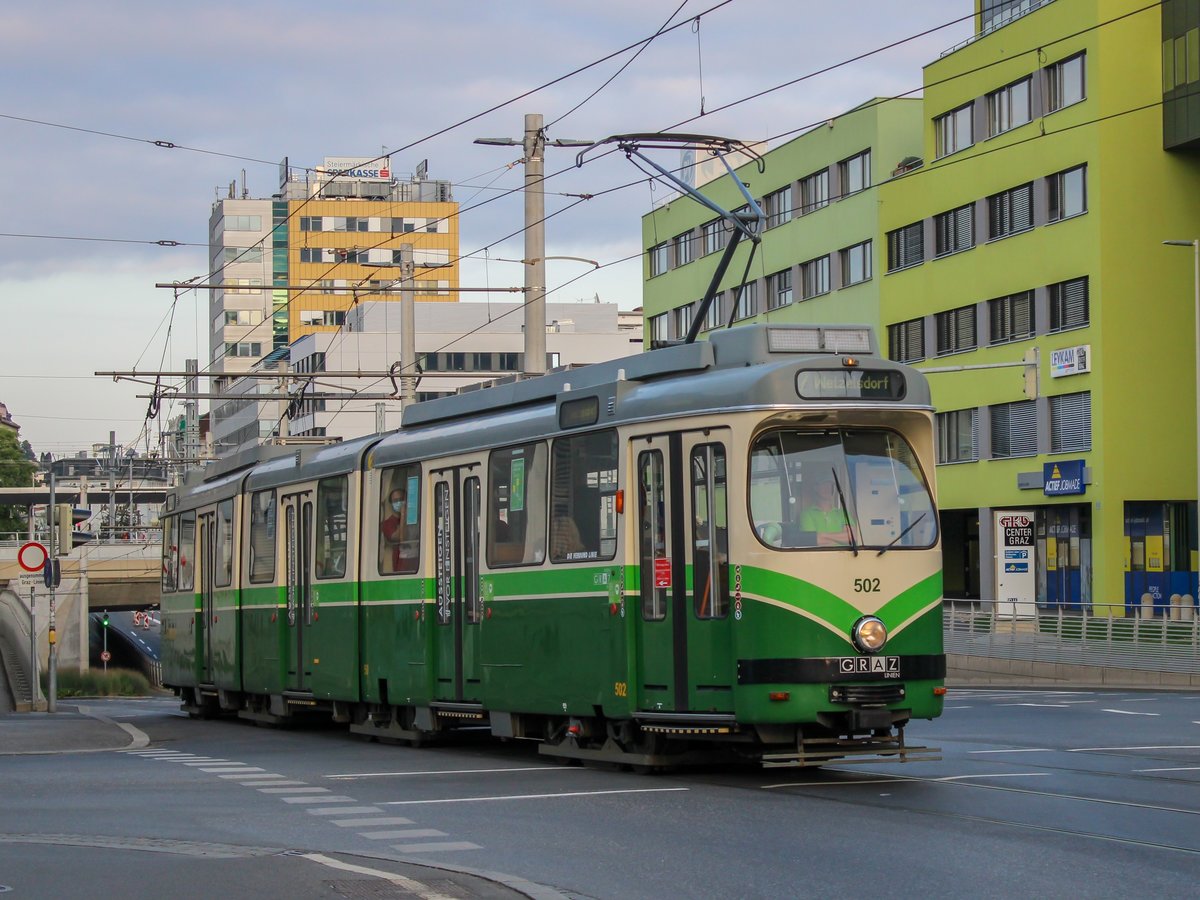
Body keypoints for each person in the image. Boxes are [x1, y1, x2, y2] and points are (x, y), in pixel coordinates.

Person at [799, 478, 854, 547]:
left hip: (842, 556)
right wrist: (840, 539)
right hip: (818, 557)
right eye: (823, 484)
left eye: (830, 485)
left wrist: (822, 535)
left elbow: (851, 537)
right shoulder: (806, 514)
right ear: (816, 488)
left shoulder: (843, 513)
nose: (827, 488)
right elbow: (813, 541)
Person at [381, 487, 413, 572]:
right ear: (391, 504)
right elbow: (399, 537)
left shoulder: (414, 519)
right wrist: (403, 515)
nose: (399, 503)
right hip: (401, 567)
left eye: (401, 499)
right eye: (395, 501)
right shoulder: (388, 523)